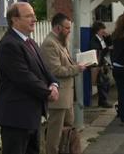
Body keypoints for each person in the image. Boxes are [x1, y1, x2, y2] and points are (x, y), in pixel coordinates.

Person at [0, 2, 59, 154]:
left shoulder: (30, 42)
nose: (34, 19)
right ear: (14, 20)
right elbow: (24, 78)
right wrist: (48, 93)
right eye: (29, 16)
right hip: (15, 117)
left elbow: (45, 70)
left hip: (31, 115)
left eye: (34, 15)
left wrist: (54, 84)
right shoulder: (8, 45)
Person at [39, 13, 86, 154]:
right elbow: (55, 70)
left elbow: (65, 64)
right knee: (55, 133)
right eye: (67, 28)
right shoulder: (50, 44)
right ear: (58, 27)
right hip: (58, 98)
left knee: (67, 130)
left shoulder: (61, 42)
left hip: (66, 96)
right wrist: (77, 68)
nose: (69, 31)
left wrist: (76, 65)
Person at [90, 21, 113, 108]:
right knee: (102, 82)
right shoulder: (94, 40)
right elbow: (97, 50)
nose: (104, 31)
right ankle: (103, 101)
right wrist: (107, 49)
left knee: (105, 81)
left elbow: (110, 44)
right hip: (98, 64)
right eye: (103, 29)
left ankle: (103, 100)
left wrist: (108, 37)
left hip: (104, 62)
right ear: (98, 30)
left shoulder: (102, 39)